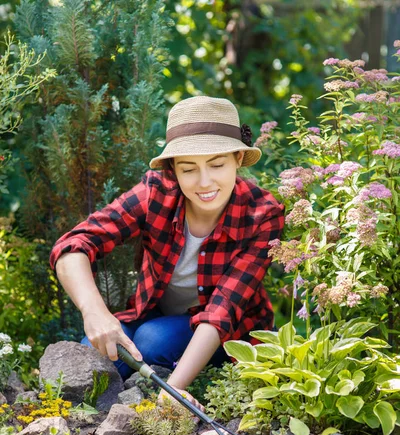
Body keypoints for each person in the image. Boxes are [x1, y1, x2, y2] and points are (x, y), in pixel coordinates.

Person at [49, 96, 285, 410]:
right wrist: (94, 312)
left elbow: (222, 312)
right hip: (156, 317)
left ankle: (169, 380)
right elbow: (72, 245)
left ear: (239, 158)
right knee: (94, 355)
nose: (204, 182)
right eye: (189, 169)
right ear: (173, 168)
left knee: (151, 340)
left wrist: (172, 393)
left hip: (225, 332)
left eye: (217, 164)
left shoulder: (262, 214)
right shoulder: (156, 194)